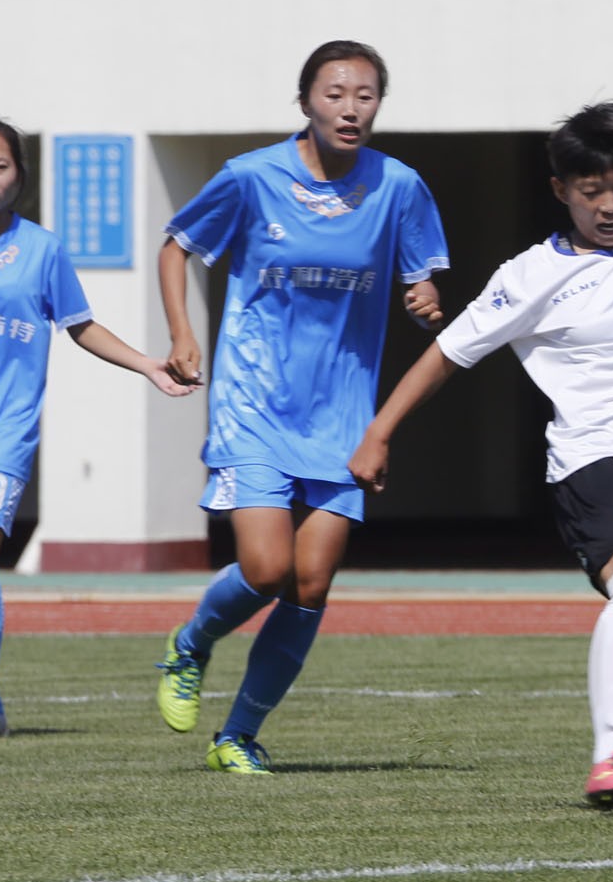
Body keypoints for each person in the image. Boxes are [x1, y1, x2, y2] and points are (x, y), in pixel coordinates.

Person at [349, 12, 613, 815]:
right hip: (595, 464)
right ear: (560, 191)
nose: (609, 205)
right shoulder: (529, 275)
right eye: (590, 191)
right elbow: (448, 353)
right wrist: (380, 432)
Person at [154, 40, 450, 774]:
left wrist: (425, 299)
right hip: (255, 403)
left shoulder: (399, 187)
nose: (351, 109)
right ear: (305, 102)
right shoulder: (250, 178)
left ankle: (239, 735)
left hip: (342, 418)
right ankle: (189, 644)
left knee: (311, 583)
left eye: (365, 95)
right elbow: (175, 247)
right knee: (264, 568)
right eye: (335, 93)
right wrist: (184, 332)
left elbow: (424, 283)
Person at [0, 117, 193, 742]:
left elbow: (80, 325)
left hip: (3, 434)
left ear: (20, 176)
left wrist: (148, 366)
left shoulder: (43, 249)